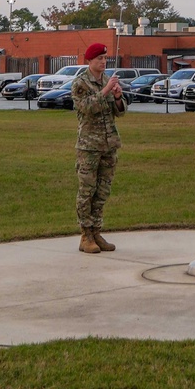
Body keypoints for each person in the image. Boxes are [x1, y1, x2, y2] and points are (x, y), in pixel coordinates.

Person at [73, 42, 126, 254]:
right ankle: (85, 235)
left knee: (102, 191)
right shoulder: (81, 83)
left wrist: (118, 97)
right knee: (87, 191)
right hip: (89, 146)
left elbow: (119, 112)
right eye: (99, 59)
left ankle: (96, 231)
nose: (104, 62)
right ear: (90, 61)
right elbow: (85, 108)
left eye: (105, 58)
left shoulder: (107, 80)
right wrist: (105, 91)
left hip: (108, 144)